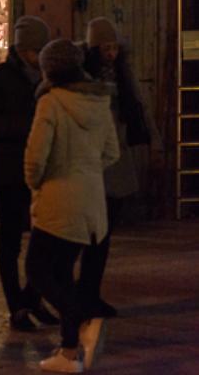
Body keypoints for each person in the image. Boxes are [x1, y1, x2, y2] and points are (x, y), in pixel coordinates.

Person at [24, 39, 119, 373]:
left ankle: (82, 318)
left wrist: (37, 183)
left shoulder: (50, 103)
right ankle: (68, 352)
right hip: (92, 201)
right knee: (62, 272)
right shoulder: (98, 101)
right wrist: (87, 170)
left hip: (57, 202)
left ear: (49, 69)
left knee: (38, 269)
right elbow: (112, 152)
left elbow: (36, 159)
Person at [0, 15, 58, 331]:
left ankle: (31, 297)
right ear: (23, 49)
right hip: (9, 171)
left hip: (42, 172)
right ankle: (17, 307)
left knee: (46, 241)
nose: (38, 56)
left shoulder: (48, 79)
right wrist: (28, 128)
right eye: (35, 50)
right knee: (10, 241)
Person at [79, 17, 158, 319]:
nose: (111, 53)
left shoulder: (123, 75)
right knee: (84, 235)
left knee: (104, 233)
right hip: (93, 163)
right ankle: (71, 294)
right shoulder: (84, 80)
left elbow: (137, 106)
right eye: (105, 47)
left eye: (114, 47)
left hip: (116, 159)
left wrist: (154, 143)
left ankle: (89, 292)